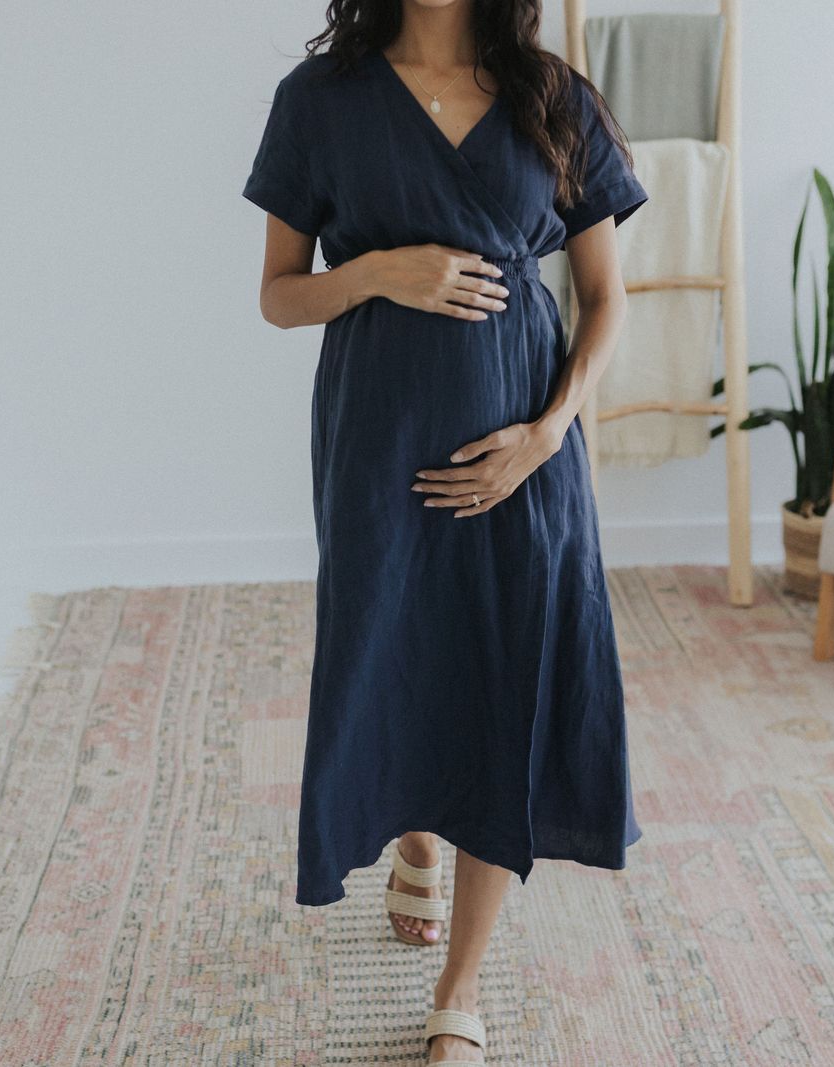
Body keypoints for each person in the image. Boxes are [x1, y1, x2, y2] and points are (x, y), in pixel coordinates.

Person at [242, 1, 646, 1061]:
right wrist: (378, 270)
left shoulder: (551, 98)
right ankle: (415, 835)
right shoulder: (319, 102)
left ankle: (459, 987)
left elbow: (605, 297)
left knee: (503, 678)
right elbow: (280, 296)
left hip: (522, 454)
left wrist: (549, 433)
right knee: (395, 657)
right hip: (377, 444)